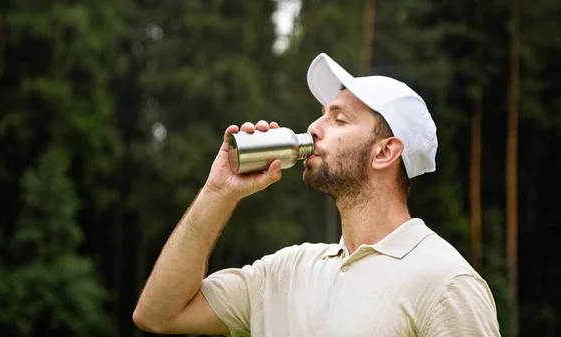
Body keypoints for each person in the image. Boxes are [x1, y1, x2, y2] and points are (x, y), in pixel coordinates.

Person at [132, 53, 501, 336]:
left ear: (385, 152)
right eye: (321, 114)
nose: (313, 127)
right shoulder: (284, 273)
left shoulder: (446, 283)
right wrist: (218, 192)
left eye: (338, 120)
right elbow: (158, 315)